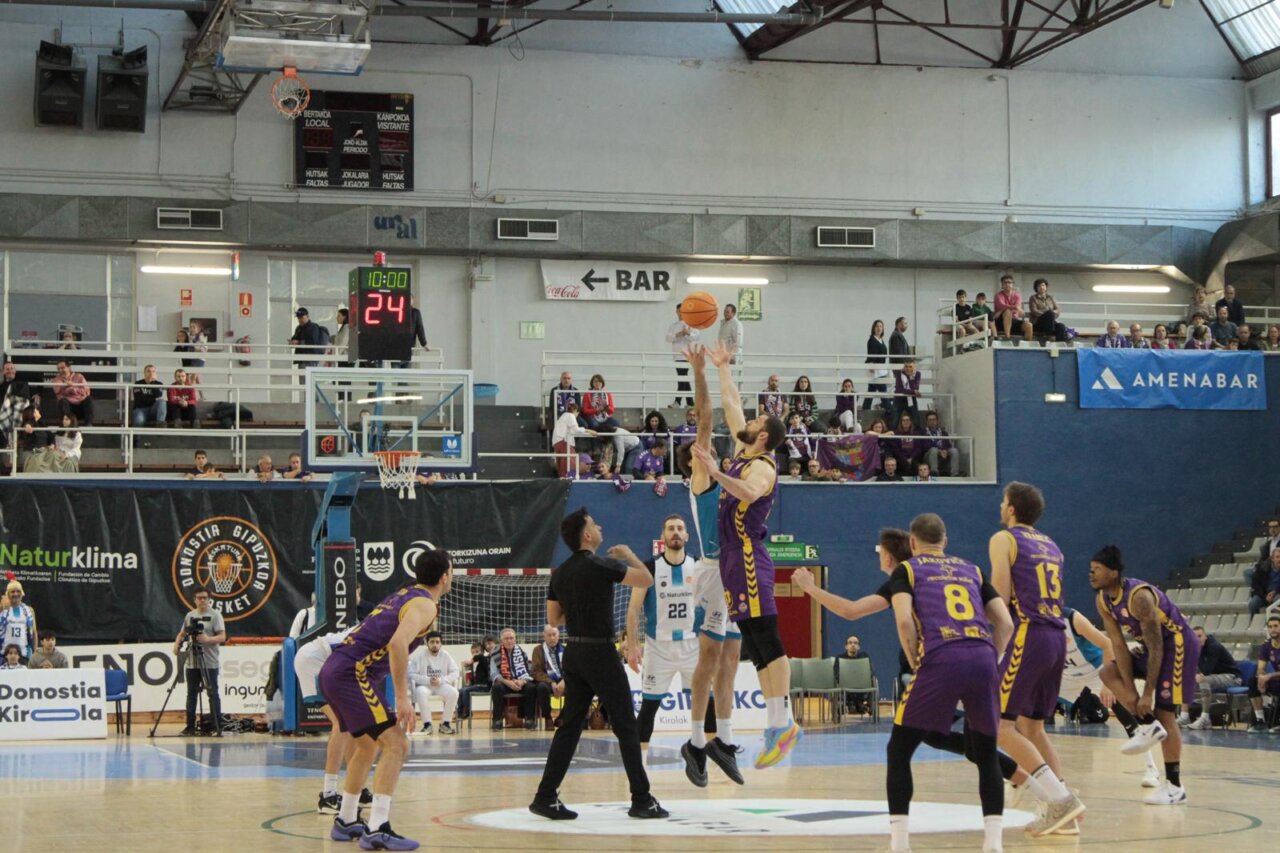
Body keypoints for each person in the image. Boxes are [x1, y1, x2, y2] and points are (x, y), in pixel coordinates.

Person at [690, 341, 799, 771]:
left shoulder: (763, 466)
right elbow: (732, 403)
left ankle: (782, 722)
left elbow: (750, 493)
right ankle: (777, 725)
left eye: (755, 422)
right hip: (734, 560)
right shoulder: (744, 451)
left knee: (768, 641)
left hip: (750, 555)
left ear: (765, 436)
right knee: (754, 643)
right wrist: (722, 368)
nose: (746, 421)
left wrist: (716, 474)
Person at [885, 513, 1014, 853]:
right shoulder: (972, 569)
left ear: (912, 543)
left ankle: (899, 844)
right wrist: (993, 657)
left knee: (899, 750)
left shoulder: (908, 569)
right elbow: (1006, 623)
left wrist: (915, 660)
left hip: (941, 656)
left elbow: (902, 620)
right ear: (945, 541)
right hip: (983, 655)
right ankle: (994, 843)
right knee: (985, 753)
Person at [529, 508, 667, 821]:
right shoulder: (602, 564)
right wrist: (630, 554)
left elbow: (554, 620)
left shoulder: (560, 572)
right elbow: (646, 578)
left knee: (569, 727)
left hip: (574, 653)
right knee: (626, 726)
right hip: (601, 654)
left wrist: (580, 609)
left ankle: (545, 797)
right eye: (594, 524)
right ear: (587, 535)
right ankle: (642, 799)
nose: (600, 526)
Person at [319, 551, 451, 850]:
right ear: (445, 577)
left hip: (336, 669)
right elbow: (397, 643)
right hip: (351, 674)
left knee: (366, 746)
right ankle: (378, 827)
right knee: (397, 744)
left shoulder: (405, 593)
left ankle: (346, 821)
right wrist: (403, 697)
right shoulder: (425, 604)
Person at [987, 482, 1085, 836]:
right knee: (1032, 727)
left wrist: (991, 642)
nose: (1000, 507)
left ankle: (1062, 801)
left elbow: (1001, 594)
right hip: (1057, 636)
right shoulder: (1052, 545)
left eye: (1003, 502)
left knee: (999, 725)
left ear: (1012, 508)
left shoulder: (1004, 539)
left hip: (1028, 632)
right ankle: (1065, 815)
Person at [679, 342, 746, 787]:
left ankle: (721, 740)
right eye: (700, 450)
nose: (708, 449)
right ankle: (694, 742)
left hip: (738, 574)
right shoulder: (702, 476)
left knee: (732, 661)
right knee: (709, 656)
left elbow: (737, 418)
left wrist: (726, 372)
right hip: (710, 571)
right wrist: (698, 371)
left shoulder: (736, 476)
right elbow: (706, 418)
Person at [1092, 544, 1201, 806]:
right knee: (1108, 671)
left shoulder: (1139, 596)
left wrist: (1148, 693)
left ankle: (1175, 787)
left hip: (1177, 646)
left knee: (1166, 714)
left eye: (1097, 570)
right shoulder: (1103, 600)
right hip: (1156, 648)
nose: (1091, 574)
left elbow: (1157, 646)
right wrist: (1130, 690)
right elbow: (1118, 645)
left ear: (1114, 572)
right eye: (1090, 569)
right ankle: (1148, 725)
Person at [626, 514, 704, 745]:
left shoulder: (699, 566)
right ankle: (638, 765)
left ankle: (708, 755)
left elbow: (711, 603)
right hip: (658, 647)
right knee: (649, 707)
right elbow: (633, 610)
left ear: (687, 535)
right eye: (671, 528)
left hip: (694, 646)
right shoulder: (649, 568)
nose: (676, 532)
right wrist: (632, 646)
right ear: (663, 536)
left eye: (680, 528)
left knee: (705, 704)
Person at [292, 620, 374, 815]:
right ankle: (328, 795)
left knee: (354, 724)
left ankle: (356, 788)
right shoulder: (375, 633)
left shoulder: (378, 629)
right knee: (342, 723)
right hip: (315, 660)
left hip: (328, 661)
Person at [173, 589, 226, 736]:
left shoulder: (215, 615)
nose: (202, 601)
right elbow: (182, 633)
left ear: (209, 599)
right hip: (192, 661)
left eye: (205, 598)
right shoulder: (190, 616)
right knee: (191, 693)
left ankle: (216, 727)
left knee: (212, 692)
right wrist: (177, 645)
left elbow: (222, 637)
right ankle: (189, 726)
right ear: (194, 600)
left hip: (209, 661)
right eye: (199, 598)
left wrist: (208, 640)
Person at [1178, 625, 1241, 731]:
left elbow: (1206, 670)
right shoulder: (1194, 647)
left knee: (1203, 680)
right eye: (1195, 637)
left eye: (1200, 636)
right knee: (1186, 680)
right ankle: (1184, 717)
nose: (1197, 639)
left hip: (1232, 677)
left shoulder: (1214, 647)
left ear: (1205, 637)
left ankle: (1205, 718)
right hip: (1214, 677)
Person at [489, 628, 550, 730]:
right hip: (504, 682)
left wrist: (522, 681)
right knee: (497, 688)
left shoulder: (521, 652)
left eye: (511, 638)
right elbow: (494, 674)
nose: (509, 641)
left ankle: (530, 719)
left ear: (515, 639)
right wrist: (508, 682)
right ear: (501, 641)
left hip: (520, 682)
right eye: (506, 638)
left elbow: (529, 672)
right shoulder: (495, 654)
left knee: (531, 687)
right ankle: (497, 720)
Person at [409, 631, 460, 734]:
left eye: (437, 642)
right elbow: (411, 674)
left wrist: (441, 680)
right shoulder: (420, 656)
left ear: (441, 643)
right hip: (425, 685)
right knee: (420, 692)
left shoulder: (445, 655)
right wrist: (428, 680)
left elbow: (456, 672)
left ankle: (445, 724)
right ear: (427, 643)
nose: (435, 645)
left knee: (454, 693)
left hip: (441, 685)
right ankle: (427, 725)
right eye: (432, 642)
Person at [1247, 615, 1280, 732]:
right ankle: (1260, 720)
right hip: (1276, 679)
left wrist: (1269, 676)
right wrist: (1261, 678)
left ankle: (1277, 723)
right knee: (1252, 681)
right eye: (1270, 627)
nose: (1273, 629)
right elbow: (1261, 667)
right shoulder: (1266, 645)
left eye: (1276, 626)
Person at [530, 625, 566, 728]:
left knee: (577, 689)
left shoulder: (565, 649)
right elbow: (536, 672)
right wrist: (551, 682)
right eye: (549, 635)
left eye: (554, 635)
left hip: (563, 681)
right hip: (546, 681)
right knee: (541, 688)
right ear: (544, 637)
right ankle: (548, 717)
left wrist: (564, 681)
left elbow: (571, 670)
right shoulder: (538, 650)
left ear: (558, 636)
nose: (552, 638)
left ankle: (562, 717)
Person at [666, 302, 699, 407]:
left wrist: (687, 333)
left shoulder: (691, 324)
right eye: (679, 311)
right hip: (677, 355)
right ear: (676, 312)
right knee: (683, 378)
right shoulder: (674, 326)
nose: (681, 313)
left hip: (687, 355)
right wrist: (678, 334)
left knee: (682, 378)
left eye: (683, 311)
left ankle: (678, 401)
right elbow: (668, 338)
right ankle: (690, 403)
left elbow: (696, 337)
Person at [458, 635, 497, 721]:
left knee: (464, 690)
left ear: (483, 652)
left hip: (485, 686)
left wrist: (472, 659)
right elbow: (474, 676)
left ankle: (467, 712)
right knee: (460, 691)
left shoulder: (484, 659)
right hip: (478, 685)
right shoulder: (475, 664)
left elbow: (479, 657)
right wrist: (470, 680)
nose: (475, 654)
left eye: (477, 651)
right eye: (473, 652)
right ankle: (460, 712)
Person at [551, 401, 595, 478]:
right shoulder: (570, 416)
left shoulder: (563, 417)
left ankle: (563, 478)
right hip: (563, 442)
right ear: (576, 411)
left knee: (562, 464)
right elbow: (576, 430)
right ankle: (571, 479)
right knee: (571, 462)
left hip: (558, 442)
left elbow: (571, 431)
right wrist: (589, 431)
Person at [1, 575, 38, 664]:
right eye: (12, 592)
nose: (15, 594)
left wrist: (35, 650)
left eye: (18, 591)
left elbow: (34, 632)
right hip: (3, 654)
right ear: (8, 594)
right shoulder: (2, 609)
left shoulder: (28, 610)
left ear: (22, 593)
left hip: (23, 654)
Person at [289, 308, 329, 381]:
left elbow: (313, 343)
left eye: (301, 317)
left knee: (307, 385)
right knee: (305, 384)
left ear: (307, 316)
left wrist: (298, 342)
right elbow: (295, 338)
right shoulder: (299, 328)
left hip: (310, 360)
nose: (299, 320)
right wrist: (292, 342)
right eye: (298, 318)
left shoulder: (313, 327)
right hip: (302, 359)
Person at [52, 360, 92, 425]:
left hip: (81, 406)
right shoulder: (56, 380)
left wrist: (73, 388)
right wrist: (69, 389)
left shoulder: (79, 376)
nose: (60, 370)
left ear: (69, 368)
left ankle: (88, 425)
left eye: (62, 368)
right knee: (63, 402)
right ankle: (66, 426)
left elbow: (87, 391)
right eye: (58, 369)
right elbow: (58, 394)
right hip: (68, 408)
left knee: (89, 399)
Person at [395, 297, 429, 369]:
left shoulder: (415, 313)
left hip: (409, 349)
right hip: (396, 349)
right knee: (397, 375)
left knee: (405, 376)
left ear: (412, 301)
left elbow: (420, 329)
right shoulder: (395, 311)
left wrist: (424, 344)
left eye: (409, 299)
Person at [131, 364, 167, 432]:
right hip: (141, 409)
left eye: (153, 371)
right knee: (139, 421)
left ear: (155, 373)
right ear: (144, 373)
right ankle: (135, 441)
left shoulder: (159, 384)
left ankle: (160, 426)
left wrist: (153, 383)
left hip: (153, 410)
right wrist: (153, 399)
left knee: (162, 402)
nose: (151, 373)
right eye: (149, 371)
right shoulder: (138, 383)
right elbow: (140, 399)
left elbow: (158, 395)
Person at [864, 319, 890, 411]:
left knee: (871, 391)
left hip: (881, 369)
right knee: (883, 391)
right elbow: (871, 354)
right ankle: (889, 410)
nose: (879, 328)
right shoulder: (871, 340)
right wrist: (871, 365)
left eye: (880, 326)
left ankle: (865, 409)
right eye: (877, 326)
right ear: (873, 328)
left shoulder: (881, 340)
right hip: (875, 369)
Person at [994, 274, 1023, 338]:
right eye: (1005, 282)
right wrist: (1015, 307)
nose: (1007, 284)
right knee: (1007, 311)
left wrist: (1016, 308)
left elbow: (1019, 309)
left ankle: (1027, 345)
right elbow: (1001, 305)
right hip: (1000, 321)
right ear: (1002, 285)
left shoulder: (1017, 295)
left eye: (1009, 282)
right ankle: (1007, 337)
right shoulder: (998, 295)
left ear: (1012, 284)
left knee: (1028, 325)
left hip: (1014, 320)